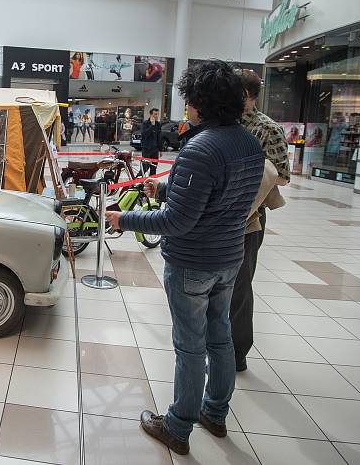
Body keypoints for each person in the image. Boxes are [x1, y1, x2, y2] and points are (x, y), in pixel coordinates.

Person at [105, 60, 264, 456]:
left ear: (201, 102)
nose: (186, 107)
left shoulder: (201, 147)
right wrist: (167, 190)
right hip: (230, 258)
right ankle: (216, 413)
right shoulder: (249, 144)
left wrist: (123, 218)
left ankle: (177, 426)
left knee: (190, 346)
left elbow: (177, 221)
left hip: (193, 263)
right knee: (221, 337)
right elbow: (223, 198)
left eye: (190, 99)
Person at [232, 69, 289, 372]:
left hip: (249, 219)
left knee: (240, 285)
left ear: (247, 95)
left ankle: (237, 351)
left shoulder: (268, 128)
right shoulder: (222, 122)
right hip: (217, 217)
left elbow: (283, 175)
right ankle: (216, 346)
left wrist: (251, 174)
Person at [141, 108, 162, 175]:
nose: (157, 116)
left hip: (155, 149)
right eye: (155, 114)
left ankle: (151, 183)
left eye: (157, 114)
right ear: (151, 115)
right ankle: (137, 181)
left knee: (154, 168)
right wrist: (152, 126)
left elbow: (159, 137)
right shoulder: (145, 123)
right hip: (147, 149)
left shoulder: (158, 124)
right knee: (145, 167)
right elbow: (144, 134)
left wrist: (160, 150)